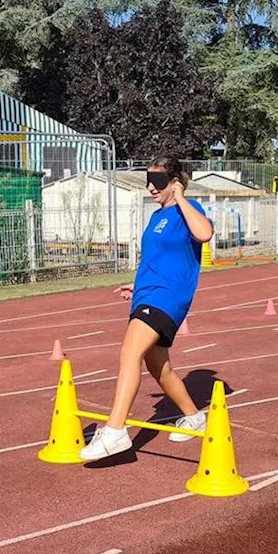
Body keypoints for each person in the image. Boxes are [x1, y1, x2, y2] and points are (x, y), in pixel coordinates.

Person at [79, 157, 215, 461]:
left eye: (160, 181)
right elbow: (154, 261)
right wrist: (136, 285)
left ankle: (115, 431)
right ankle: (194, 417)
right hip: (148, 294)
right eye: (148, 180)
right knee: (158, 367)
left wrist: (180, 196)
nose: (152, 187)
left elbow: (204, 234)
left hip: (168, 297)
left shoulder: (188, 211)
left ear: (175, 181)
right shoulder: (156, 217)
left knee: (129, 353)